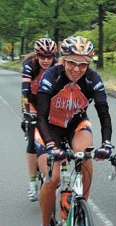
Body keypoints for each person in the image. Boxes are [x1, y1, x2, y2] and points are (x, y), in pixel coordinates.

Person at [35, 36, 113, 226]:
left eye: (83, 65)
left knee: (86, 158)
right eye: (72, 63)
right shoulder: (51, 75)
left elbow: (104, 114)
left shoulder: (93, 79)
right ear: (63, 59)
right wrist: (51, 145)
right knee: (53, 179)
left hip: (75, 125)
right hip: (50, 126)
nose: (77, 69)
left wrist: (107, 143)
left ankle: (80, 210)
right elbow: (41, 116)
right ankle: (46, 224)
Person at [21, 38, 58, 202]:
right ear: (37, 56)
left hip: (49, 103)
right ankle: (32, 182)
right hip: (33, 102)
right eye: (42, 56)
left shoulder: (58, 66)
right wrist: (27, 113)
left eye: (49, 57)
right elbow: (25, 93)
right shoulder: (30, 65)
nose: (45, 60)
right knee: (32, 140)